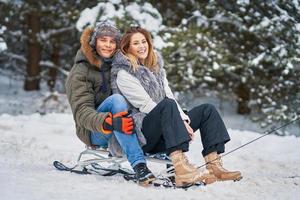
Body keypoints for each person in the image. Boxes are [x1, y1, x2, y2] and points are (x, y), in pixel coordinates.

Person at [111, 26, 242, 187]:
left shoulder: (156, 68)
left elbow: (169, 96)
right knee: (167, 105)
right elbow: (145, 105)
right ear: (127, 48)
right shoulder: (125, 74)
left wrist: (184, 121)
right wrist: (179, 123)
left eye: (144, 41)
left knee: (207, 110)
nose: (142, 46)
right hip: (145, 133)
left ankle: (214, 165)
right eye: (136, 43)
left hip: (168, 125)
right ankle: (181, 170)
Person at [65, 22, 155, 185]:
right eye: (103, 40)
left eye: (112, 41)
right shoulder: (80, 72)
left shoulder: (116, 65)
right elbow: (81, 113)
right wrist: (110, 122)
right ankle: (139, 165)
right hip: (93, 130)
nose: (108, 45)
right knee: (117, 100)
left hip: (122, 124)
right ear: (94, 42)